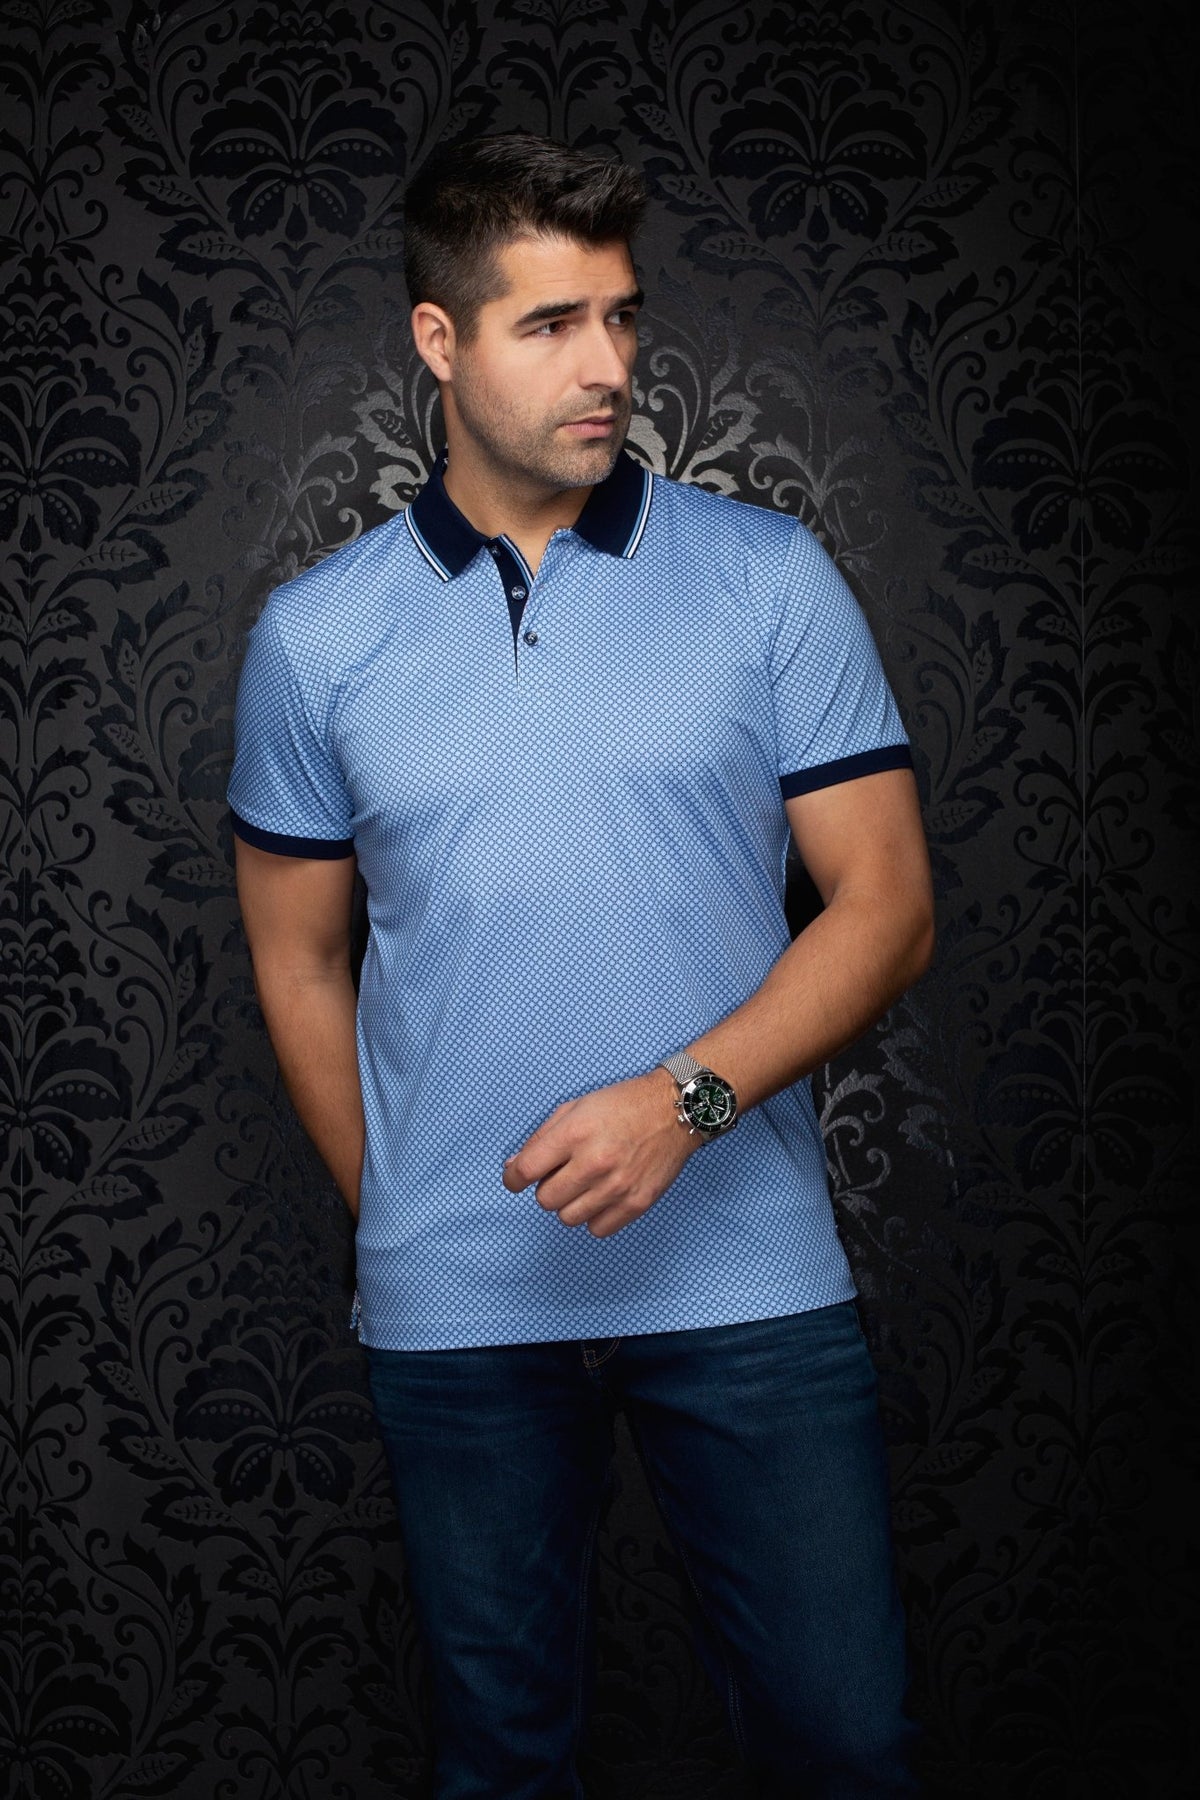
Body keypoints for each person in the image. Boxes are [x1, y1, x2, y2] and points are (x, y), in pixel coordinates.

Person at [228, 132, 934, 1798]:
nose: (608, 363)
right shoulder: (315, 641)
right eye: (550, 324)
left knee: (846, 1745)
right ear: (438, 339)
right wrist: (412, 1213)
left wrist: (685, 1103)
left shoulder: (769, 581)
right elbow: (300, 963)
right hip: (460, 1317)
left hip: (748, 1281)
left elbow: (888, 907)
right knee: (503, 1763)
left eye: (621, 316)